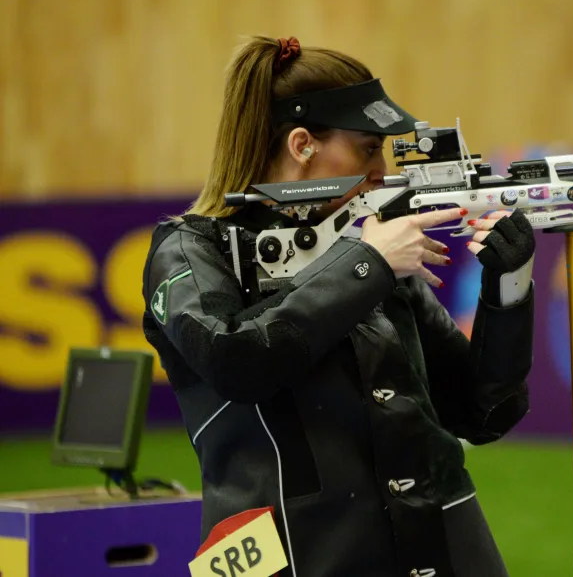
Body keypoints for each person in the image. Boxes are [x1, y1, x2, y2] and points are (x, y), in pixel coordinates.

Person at [141, 36, 536, 577]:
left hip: (441, 546)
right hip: (302, 556)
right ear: (303, 145)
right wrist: (367, 262)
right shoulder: (190, 249)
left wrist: (507, 285)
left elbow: (483, 411)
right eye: (369, 149)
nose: (383, 172)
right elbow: (236, 360)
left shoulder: (365, 256)